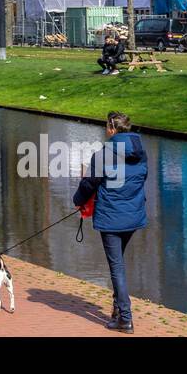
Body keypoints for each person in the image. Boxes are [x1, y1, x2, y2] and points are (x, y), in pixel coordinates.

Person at [73, 111, 148, 333]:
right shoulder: (141, 153)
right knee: (119, 263)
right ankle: (117, 309)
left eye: (107, 126)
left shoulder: (103, 154)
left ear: (112, 129)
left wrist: (77, 200)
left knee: (117, 267)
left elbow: (89, 184)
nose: (106, 130)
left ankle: (125, 318)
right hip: (133, 216)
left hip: (112, 218)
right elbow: (141, 178)